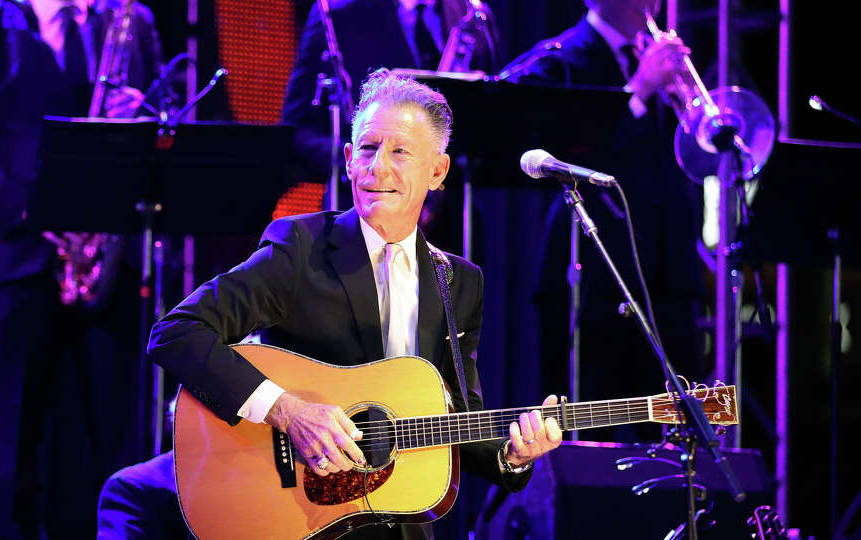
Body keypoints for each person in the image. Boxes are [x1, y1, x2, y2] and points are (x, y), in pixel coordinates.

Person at [147, 68, 562, 539]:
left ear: (438, 171)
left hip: (399, 520)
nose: (377, 166)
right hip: (302, 514)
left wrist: (513, 455)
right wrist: (287, 410)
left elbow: (455, 418)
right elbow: (177, 333)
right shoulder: (299, 247)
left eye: (400, 151)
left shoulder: (458, 281)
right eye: (367, 148)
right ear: (347, 159)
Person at [0, 0, 163, 537]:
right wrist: (30, 210)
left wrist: (144, 112)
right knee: (12, 442)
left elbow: (164, 124)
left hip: (106, 260)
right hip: (16, 260)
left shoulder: (128, 20)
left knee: (111, 439)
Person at [498, 0, 706, 441]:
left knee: (674, 417)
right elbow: (560, 156)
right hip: (593, 269)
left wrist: (689, 112)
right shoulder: (561, 59)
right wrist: (639, 90)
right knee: (601, 416)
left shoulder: (657, 63)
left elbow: (694, 160)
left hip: (666, 270)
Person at [283, 0, 500, 184]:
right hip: (366, 211)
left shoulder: (473, 14)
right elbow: (299, 130)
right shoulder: (336, 13)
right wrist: (365, 163)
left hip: (456, 218)